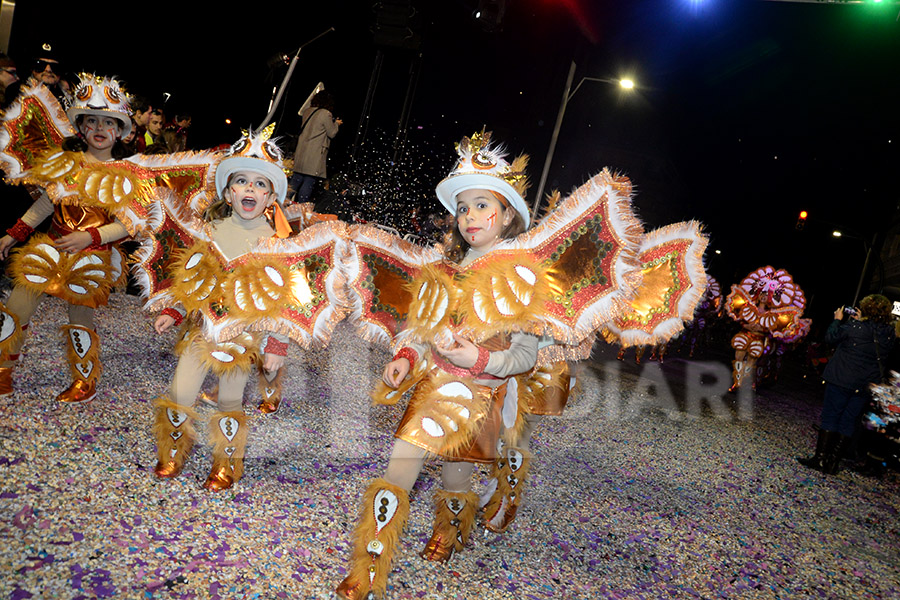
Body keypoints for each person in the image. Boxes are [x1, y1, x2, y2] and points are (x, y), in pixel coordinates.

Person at [336, 133, 542, 600]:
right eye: (463, 207)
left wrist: (482, 358)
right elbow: (423, 330)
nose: (470, 216)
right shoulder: (442, 270)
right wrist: (405, 359)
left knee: (455, 475)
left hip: (485, 394)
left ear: (507, 214)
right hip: (435, 388)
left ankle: (449, 531)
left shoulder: (525, 278)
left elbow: (526, 355)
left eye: (482, 205)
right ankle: (369, 564)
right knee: (399, 466)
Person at [149, 129, 293, 491]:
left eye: (259, 184)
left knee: (230, 401)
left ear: (270, 197)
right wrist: (177, 311)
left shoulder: (278, 245)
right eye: (241, 181)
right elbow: (194, 280)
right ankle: (173, 450)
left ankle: (225, 462)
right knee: (180, 391)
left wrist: (276, 346)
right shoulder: (209, 231)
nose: (249, 189)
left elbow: (288, 303)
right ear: (228, 193)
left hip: (243, 340)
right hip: (204, 330)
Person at [0, 74, 133, 402]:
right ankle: (2, 369)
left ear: (119, 131)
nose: (100, 128)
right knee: (17, 305)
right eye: (92, 121)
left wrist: (90, 237)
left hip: (92, 255)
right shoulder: (67, 164)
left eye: (108, 122)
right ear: (81, 128)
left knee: (80, 318)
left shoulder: (126, 173)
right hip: (52, 248)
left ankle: (84, 381)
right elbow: (48, 201)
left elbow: (130, 223)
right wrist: (15, 233)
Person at [798, 295, 895, 474]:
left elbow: (830, 338)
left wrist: (837, 320)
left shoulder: (853, 327)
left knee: (831, 416)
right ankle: (833, 462)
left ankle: (820, 459)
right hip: (866, 383)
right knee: (849, 420)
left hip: (842, 379)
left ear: (865, 309)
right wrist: (863, 322)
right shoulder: (888, 333)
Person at [288, 90, 341, 204]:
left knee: (295, 181)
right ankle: (301, 209)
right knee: (308, 181)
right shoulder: (326, 114)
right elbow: (331, 133)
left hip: (302, 152)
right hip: (314, 154)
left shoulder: (307, 112)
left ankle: (282, 203)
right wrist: (336, 123)